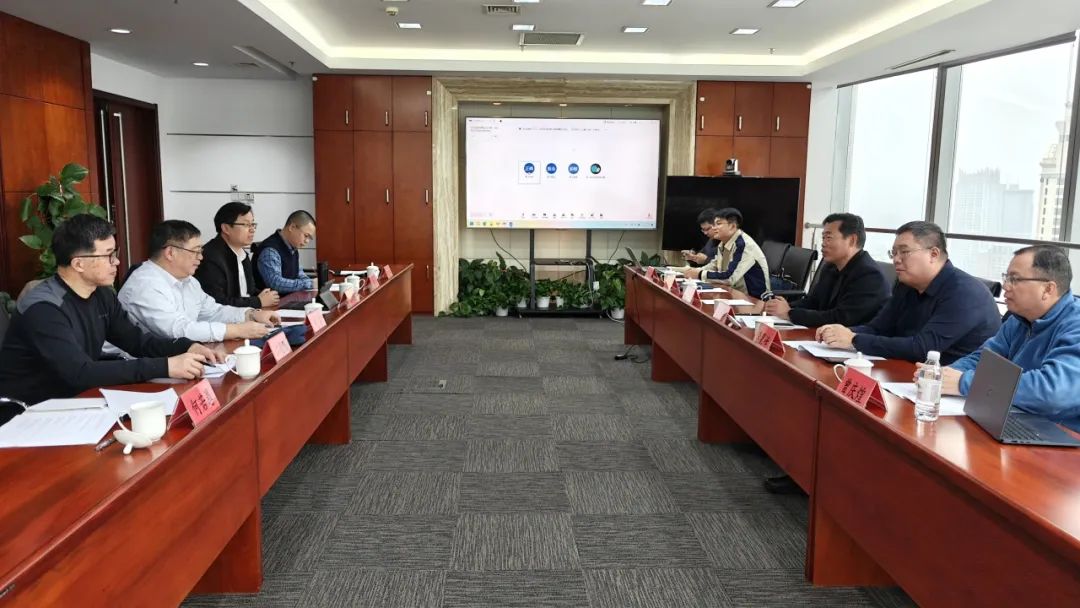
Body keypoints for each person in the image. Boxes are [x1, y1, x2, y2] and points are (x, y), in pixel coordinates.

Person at [0, 215, 217, 412]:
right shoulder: (44, 309)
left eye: (115, 253)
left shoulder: (102, 294)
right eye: (108, 255)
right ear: (78, 264)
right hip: (30, 411)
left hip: (78, 400)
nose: (117, 262)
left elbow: (137, 341)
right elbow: (79, 373)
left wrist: (186, 346)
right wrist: (166, 366)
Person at [817, 221, 1000, 364]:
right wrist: (840, 332)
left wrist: (854, 340)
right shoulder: (907, 284)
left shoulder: (964, 294)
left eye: (904, 252)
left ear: (934, 254)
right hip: (907, 372)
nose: (896, 260)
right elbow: (878, 328)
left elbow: (923, 349)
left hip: (950, 386)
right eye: (894, 253)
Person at [941, 245, 1080, 431]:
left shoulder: (1075, 325)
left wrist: (964, 382)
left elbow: (1052, 392)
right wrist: (942, 375)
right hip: (1017, 418)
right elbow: (983, 359)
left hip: (1064, 434)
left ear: (1048, 289)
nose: (1005, 286)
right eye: (1006, 278)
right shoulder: (1019, 319)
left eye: (1015, 279)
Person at [118, 220, 279, 344]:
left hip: (177, 356)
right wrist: (236, 330)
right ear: (170, 253)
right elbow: (177, 330)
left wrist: (251, 314)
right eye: (195, 251)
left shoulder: (189, 281)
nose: (201, 257)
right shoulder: (145, 285)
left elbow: (213, 312)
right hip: (133, 365)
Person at [763, 213, 890, 327]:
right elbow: (813, 302)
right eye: (823, 238)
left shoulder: (870, 276)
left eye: (829, 238)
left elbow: (841, 318)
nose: (823, 243)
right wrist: (780, 307)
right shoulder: (831, 267)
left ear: (852, 240)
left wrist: (790, 313)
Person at [195, 202, 279, 309]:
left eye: (253, 224)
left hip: (247, 313)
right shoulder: (210, 257)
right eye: (246, 225)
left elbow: (248, 291)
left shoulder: (242, 254)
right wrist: (258, 301)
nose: (252, 229)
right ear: (226, 228)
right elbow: (217, 302)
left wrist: (267, 295)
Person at [684, 207, 770, 298]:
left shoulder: (744, 245)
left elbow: (730, 277)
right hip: (733, 293)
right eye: (714, 224)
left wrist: (699, 274)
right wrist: (690, 271)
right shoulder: (723, 243)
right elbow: (714, 266)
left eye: (718, 224)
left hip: (754, 299)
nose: (714, 228)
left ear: (732, 226)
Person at [254, 210, 316, 294]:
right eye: (306, 236)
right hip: (273, 301)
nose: (307, 241)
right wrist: (309, 283)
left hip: (289, 298)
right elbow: (276, 283)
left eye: (310, 238)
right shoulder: (270, 250)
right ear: (292, 227)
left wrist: (311, 282)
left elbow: (298, 272)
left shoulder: (292, 247)